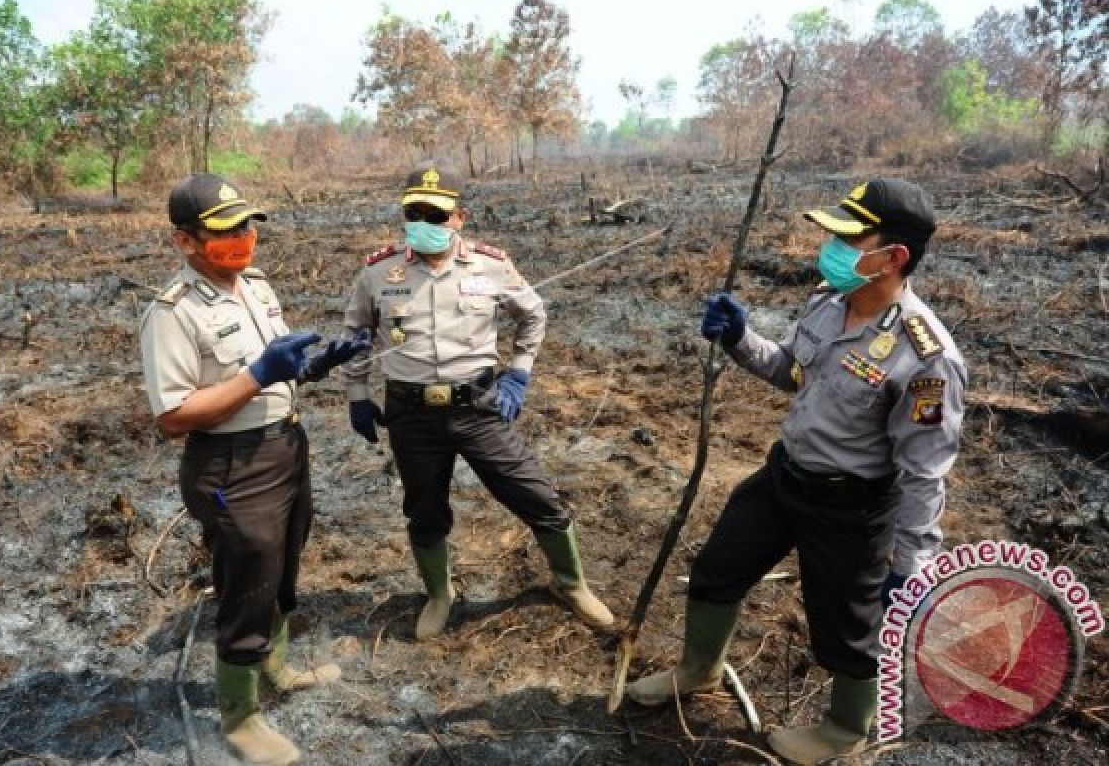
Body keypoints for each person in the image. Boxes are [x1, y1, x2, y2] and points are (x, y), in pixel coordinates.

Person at [626, 178, 966, 764]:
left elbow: (923, 472)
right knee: (716, 570)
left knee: (851, 629)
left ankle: (843, 729)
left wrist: (910, 565)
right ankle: (698, 669)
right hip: (785, 477)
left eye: (850, 237)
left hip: (851, 510)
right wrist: (739, 339)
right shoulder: (826, 303)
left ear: (894, 256)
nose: (831, 246)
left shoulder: (927, 359)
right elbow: (791, 370)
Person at [140, 173, 369, 766]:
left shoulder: (256, 286)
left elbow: (269, 368)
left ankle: (277, 666)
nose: (241, 238)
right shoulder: (173, 313)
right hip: (229, 466)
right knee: (248, 577)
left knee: (285, 557)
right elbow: (172, 417)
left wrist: (312, 368)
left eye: (246, 226)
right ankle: (240, 718)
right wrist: (259, 376)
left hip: (285, 447)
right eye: (224, 231)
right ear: (184, 242)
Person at [339, 167, 615, 640]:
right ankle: (439, 595)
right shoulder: (379, 271)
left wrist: (520, 371)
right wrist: (358, 396)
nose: (423, 221)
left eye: (436, 215)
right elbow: (357, 335)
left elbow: (533, 315)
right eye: (414, 213)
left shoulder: (490, 265)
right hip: (410, 412)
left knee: (535, 495)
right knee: (424, 509)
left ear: (459, 218)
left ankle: (570, 583)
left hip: (479, 407)